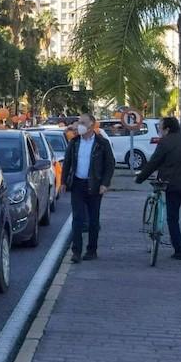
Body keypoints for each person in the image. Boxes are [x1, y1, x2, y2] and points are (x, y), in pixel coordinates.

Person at [135, 116, 181, 263]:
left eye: (160, 127)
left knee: (172, 219)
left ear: (167, 129)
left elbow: (154, 162)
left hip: (174, 186)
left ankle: (179, 251)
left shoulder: (165, 142)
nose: (159, 130)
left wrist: (140, 178)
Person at [60, 113, 114, 263]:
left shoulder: (102, 144)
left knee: (93, 220)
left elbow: (110, 165)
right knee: (77, 219)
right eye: (79, 122)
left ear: (91, 125)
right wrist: (63, 181)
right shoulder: (75, 142)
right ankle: (76, 252)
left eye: (83, 122)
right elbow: (67, 163)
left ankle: (92, 250)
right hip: (77, 184)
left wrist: (105, 183)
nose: (80, 125)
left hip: (95, 185)